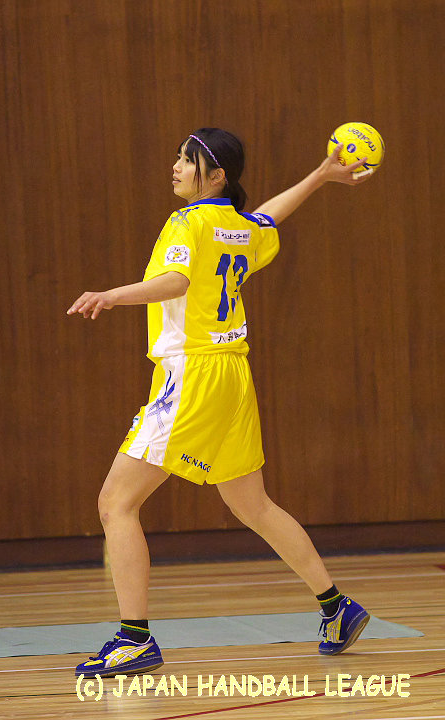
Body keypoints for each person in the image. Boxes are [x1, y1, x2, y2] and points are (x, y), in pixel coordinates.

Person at [68, 128, 372, 678]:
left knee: (115, 503)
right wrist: (322, 176)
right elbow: (270, 217)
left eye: (187, 161)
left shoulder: (187, 222)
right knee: (253, 505)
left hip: (194, 376)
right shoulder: (238, 225)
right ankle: (336, 607)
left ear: (215, 176)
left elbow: (176, 281)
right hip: (233, 375)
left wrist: (111, 296)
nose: (176, 166)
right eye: (179, 158)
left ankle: (134, 639)